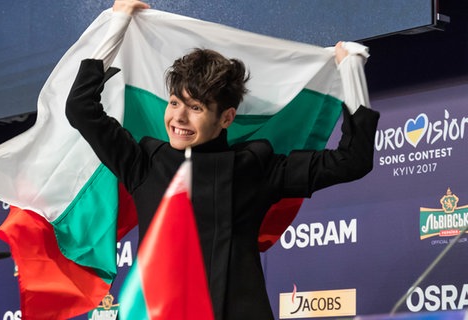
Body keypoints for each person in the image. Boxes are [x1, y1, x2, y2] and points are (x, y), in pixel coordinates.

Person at [65, 1, 380, 319]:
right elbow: (80, 107)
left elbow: (353, 159)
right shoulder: (145, 162)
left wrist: (351, 72)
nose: (179, 118)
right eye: (175, 102)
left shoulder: (255, 168)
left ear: (227, 117)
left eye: (196, 108)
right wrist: (118, 22)